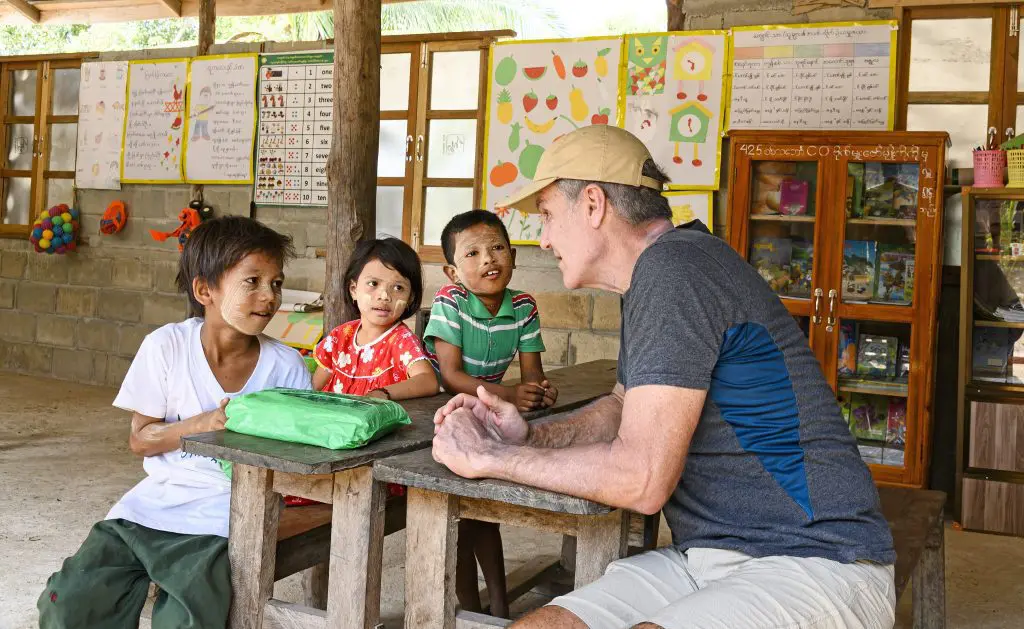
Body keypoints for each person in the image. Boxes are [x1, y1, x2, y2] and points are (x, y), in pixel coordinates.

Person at [432, 125, 897, 629]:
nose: (542, 240)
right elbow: (621, 405)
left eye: (546, 215)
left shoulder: (675, 271)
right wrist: (533, 437)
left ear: (593, 204)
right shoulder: (665, 267)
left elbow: (642, 480)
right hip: (710, 556)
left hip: (817, 560)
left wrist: (493, 456)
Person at [38, 216, 312, 629]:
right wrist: (198, 425)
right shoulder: (166, 346)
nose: (269, 296)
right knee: (69, 605)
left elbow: (293, 460)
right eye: (252, 281)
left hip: (225, 515)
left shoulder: (285, 365)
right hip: (150, 505)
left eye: (276, 283)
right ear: (205, 290)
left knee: (186, 620)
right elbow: (140, 440)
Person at [423, 209, 558, 617]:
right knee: (462, 516)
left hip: (487, 409)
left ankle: (497, 606)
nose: (488, 259)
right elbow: (450, 376)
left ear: (514, 256)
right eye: (473, 253)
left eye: (498, 248)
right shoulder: (451, 302)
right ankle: (473, 609)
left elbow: (532, 375)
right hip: (438, 412)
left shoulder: (523, 306)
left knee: (482, 514)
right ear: (451, 271)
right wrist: (512, 395)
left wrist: (539, 392)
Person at [311, 237, 437, 400]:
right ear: (353, 289)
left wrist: (383, 393)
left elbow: (428, 381)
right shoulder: (340, 336)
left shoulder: (401, 341)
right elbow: (313, 390)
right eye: (373, 283)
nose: (384, 296)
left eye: (398, 287)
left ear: (410, 299)